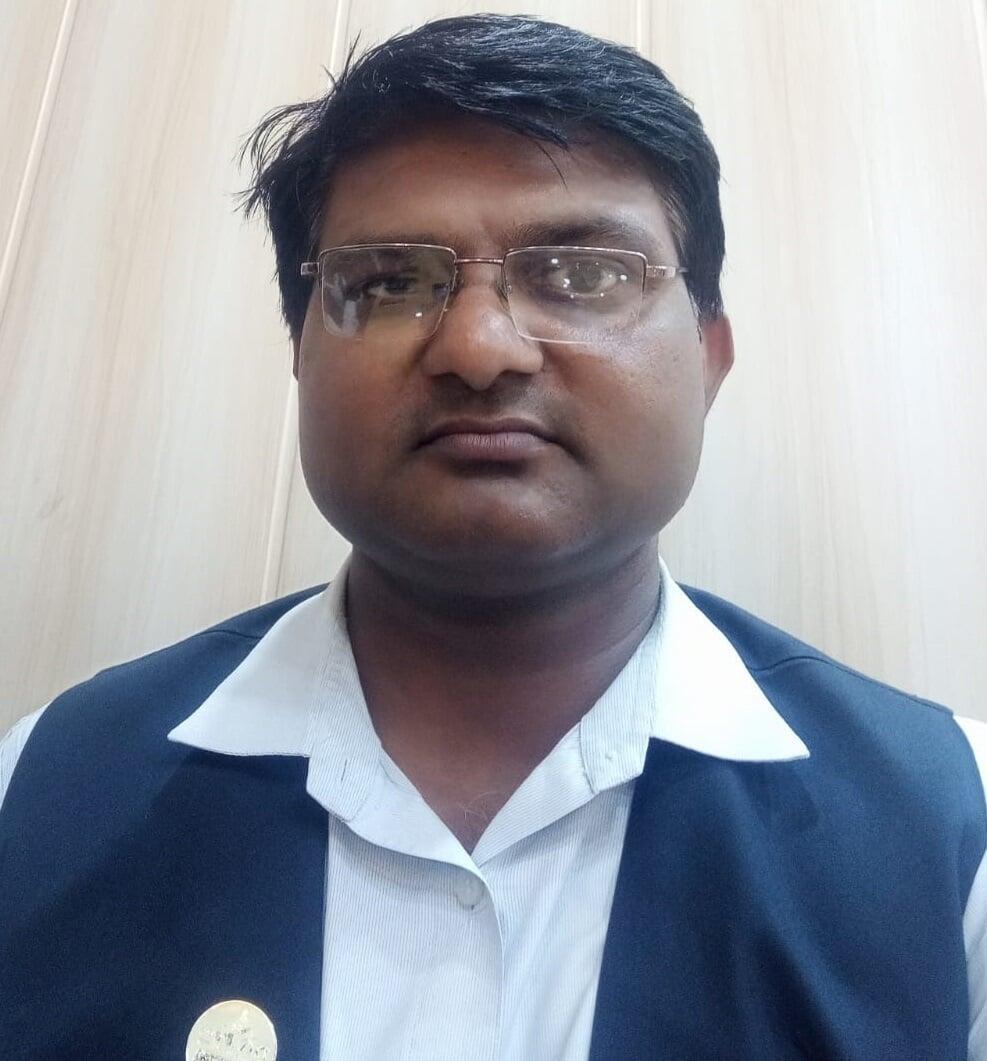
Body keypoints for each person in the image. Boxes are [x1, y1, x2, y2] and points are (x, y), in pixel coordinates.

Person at [1, 12, 984, 1060]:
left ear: (708, 359)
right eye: (389, 282)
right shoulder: (39, 793)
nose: (477, 347)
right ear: (300, 354)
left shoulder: (950, 828)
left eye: (585, 273)